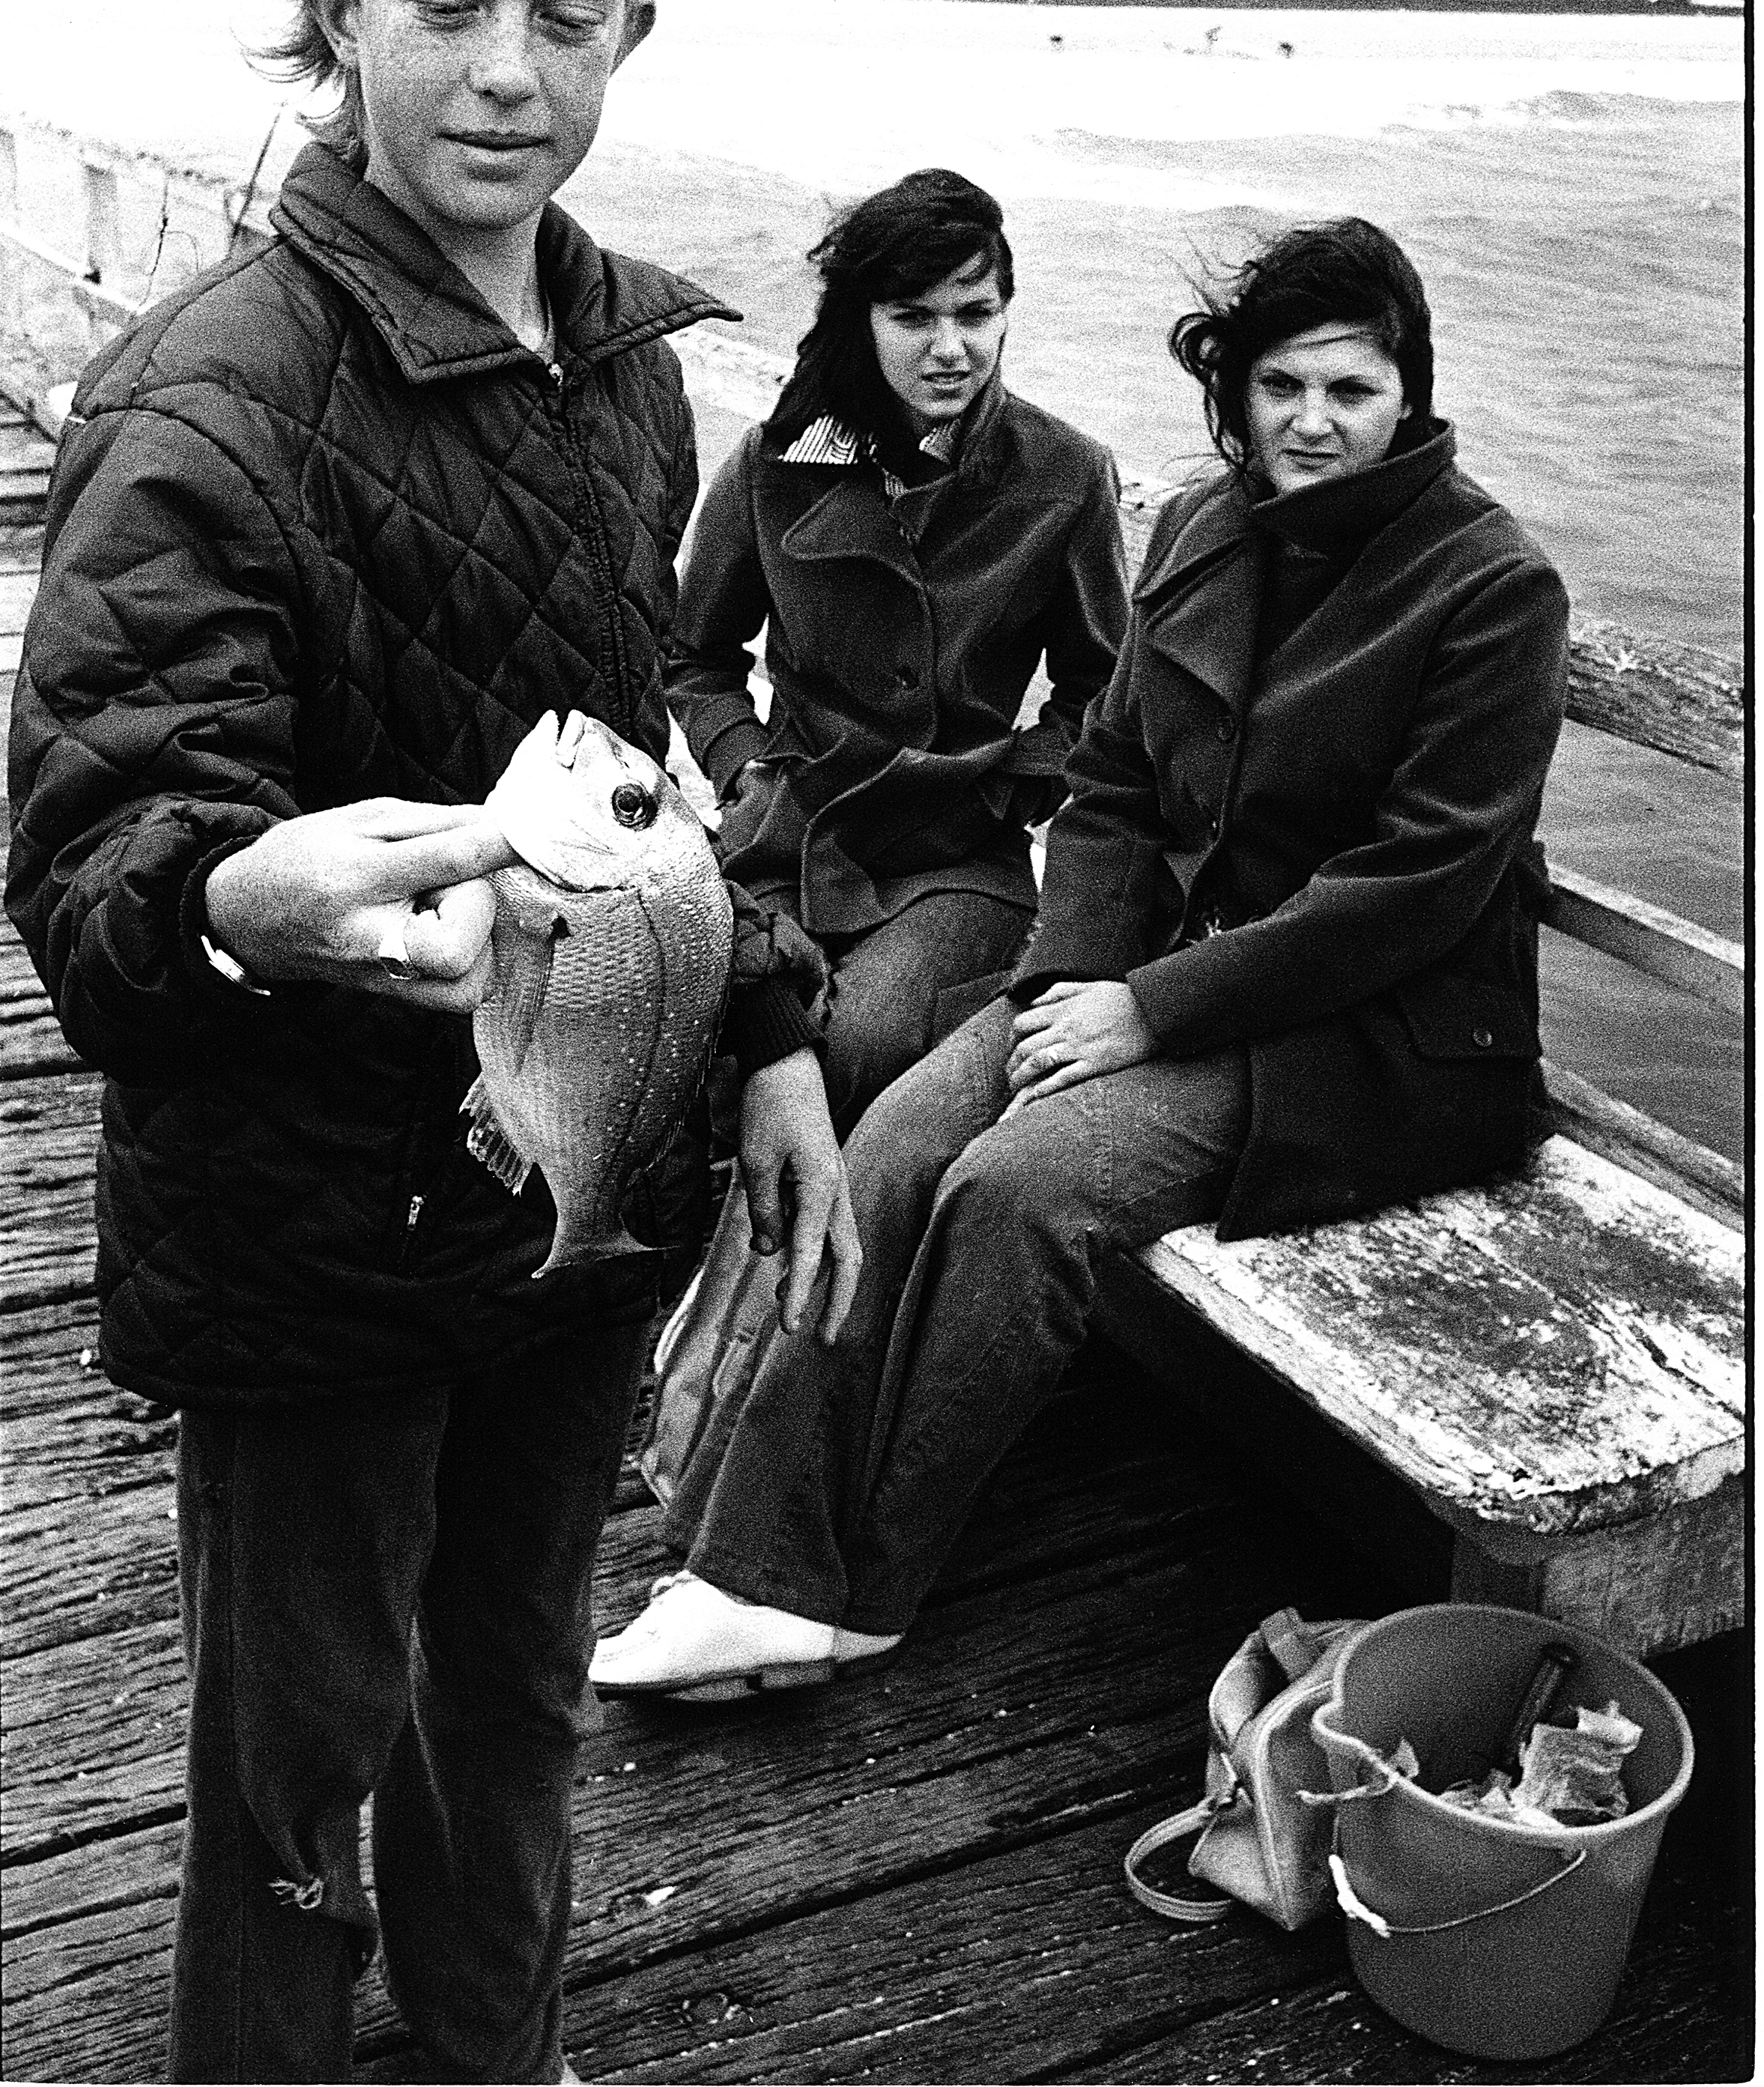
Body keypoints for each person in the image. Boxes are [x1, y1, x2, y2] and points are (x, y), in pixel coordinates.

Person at [4, 0, 853, 2086]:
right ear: (336, 10)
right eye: (446, 4)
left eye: (565, 14)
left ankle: (496, 2046)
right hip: (307, 1233)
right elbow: (97, 869)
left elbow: (653, 760)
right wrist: (232, 902)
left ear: (633, 29)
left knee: (517, 1692)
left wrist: (768, 1021)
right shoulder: (204, 404)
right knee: (297, 1761)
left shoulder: (631, 372)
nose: (507, 69)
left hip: (570, 1195)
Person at [592, 216, 1571, 1700]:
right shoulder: (1204, 529)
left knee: (1018, 1190)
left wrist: (1144, 1008)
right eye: (1280, 386)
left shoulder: (1490, 585)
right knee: (898, 1139)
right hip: (1155, 974)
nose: (1311, 422)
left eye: (1350, 390)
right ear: (1233, 393)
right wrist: (1069, 978)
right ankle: (756, 1568)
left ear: (1408, 396)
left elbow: (1411, 891)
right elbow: (1111, 781)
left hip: (1365, 1037)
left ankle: (864, 1590)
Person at [665, 168, 1129, 1136]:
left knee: (857, 1043)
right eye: (912, 316)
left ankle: (798, 1232)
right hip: (785, 830)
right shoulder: (775, 461)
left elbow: (1102, 691)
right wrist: (744, 768)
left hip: (957, 854)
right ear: (862, 321)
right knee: (686, 1024)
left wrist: (1011, 788)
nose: (950, 348)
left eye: (976, 313)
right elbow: (696, 656)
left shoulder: (1065, 473)